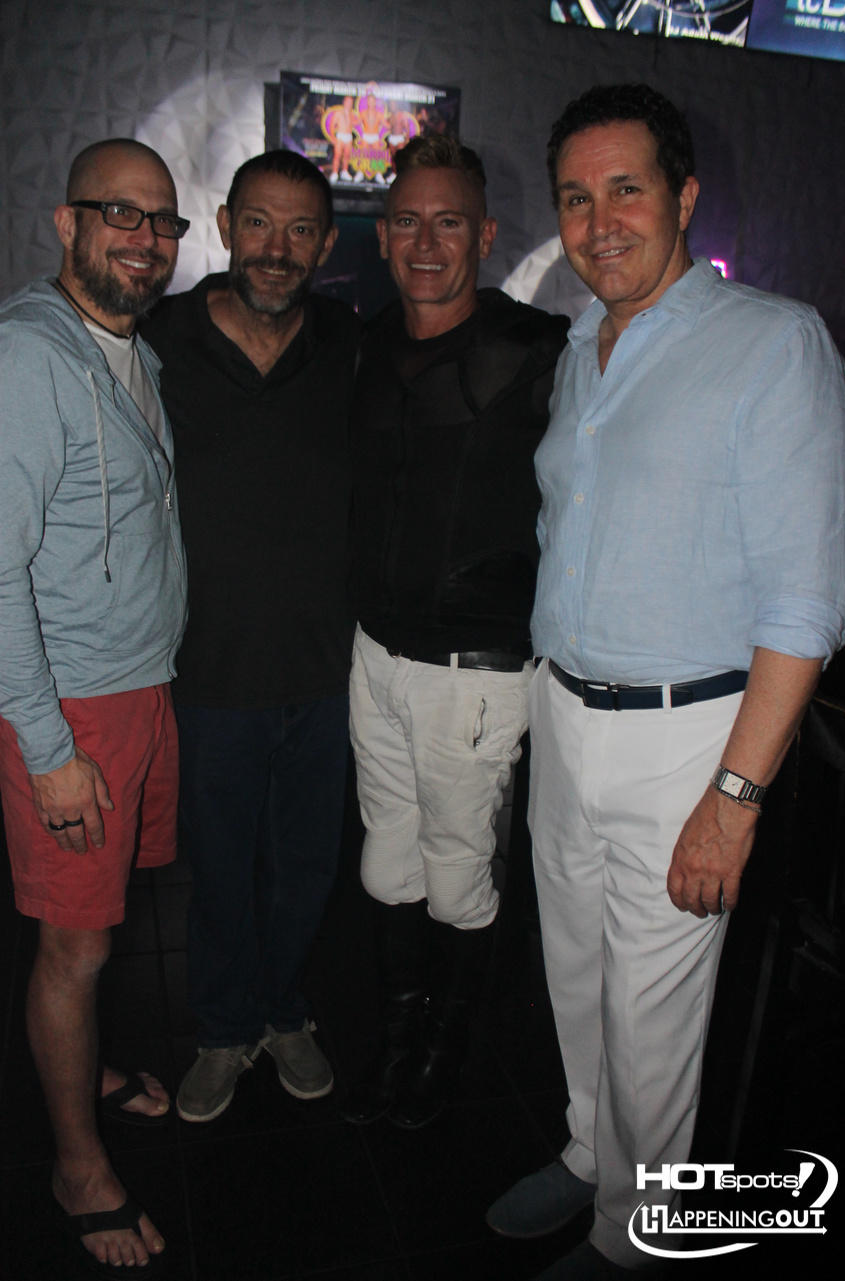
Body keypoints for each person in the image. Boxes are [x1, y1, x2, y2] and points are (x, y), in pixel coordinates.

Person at [486, 83, 845, 1278]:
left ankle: (634, 1240)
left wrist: (732, 800)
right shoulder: (581, 353)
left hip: (685, 738)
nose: (597, 222)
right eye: (575, 197)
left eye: (625, 189)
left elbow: (806, 604)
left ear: (682, 196)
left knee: (654, 1024)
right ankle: (591, 1153)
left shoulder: (772, 341)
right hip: (565, 711)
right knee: (573, 973)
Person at [344, 135, 568, 1131]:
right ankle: (399, 1030)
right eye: (406, 220)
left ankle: (446, 1046)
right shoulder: (365, 340)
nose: (424, 241)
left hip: (474, 673)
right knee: (385, 863)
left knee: (454, 870)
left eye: (447, 221)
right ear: (382, 234)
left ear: (483, 233)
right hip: (373, 654)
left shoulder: (539, 349)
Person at [0, 138, 189, 1273]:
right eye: (118, 214)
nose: (145, 238)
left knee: (104, 927)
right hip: (70, 706)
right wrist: (52, 750)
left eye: (161, 221)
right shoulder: (28, 357)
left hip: (138, 686)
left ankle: (98, 1070)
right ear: (65, 224)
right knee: (71, 948)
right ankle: (76, 1165)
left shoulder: (131, 349)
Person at [140, 150, 360, 1124]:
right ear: (225, 226)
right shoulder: (158, 338)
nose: (277, 249)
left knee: (308, 864)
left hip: (326, 669)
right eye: (259, 224)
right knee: (220, 865)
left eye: (300, 229)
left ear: (325, 242)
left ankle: (283, 1012)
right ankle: (224, 1028)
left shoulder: (350, 342)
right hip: (209, 663)